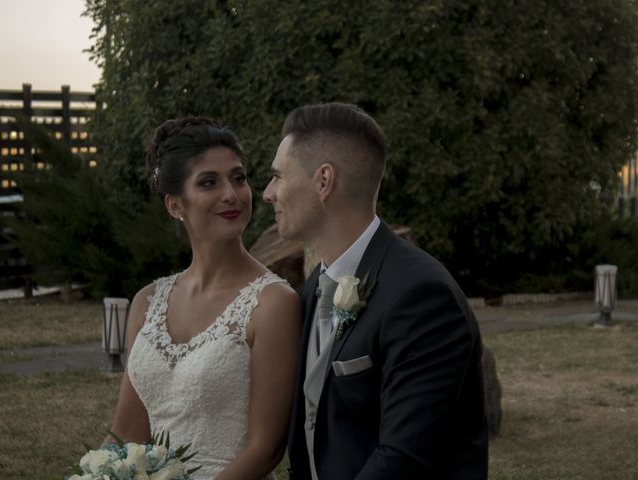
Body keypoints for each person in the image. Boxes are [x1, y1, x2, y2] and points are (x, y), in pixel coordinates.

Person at [263, 103, 488, 480]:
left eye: (278, 176)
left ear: (323, 182)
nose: (269, 193)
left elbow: (404, 460)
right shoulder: (314, 287)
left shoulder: (422, 297)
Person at [106, 117, 301, 480]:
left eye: (238, 178)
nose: (231, 194)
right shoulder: (146, 303)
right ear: (175, 205)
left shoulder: (273, 304)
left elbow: (267, 449)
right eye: (209, 182)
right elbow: (127, 434)